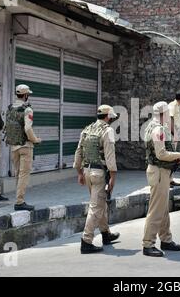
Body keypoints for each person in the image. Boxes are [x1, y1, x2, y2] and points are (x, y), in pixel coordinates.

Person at [74, 105, 120, 254]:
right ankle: (86, 241)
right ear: (108, 116)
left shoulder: (87, 129)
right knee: (95, 207)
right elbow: (110, 155)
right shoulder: (108, 131)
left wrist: (79, 172)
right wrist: (113, 176)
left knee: (100, 204)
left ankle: (106, 234)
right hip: (99, 174)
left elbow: (79, 151)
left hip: (87, 172)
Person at [142, 101, 180, 257]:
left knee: (163, 208)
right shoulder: (158, 129)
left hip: (159, 172)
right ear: (163, 114)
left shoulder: (150, 127)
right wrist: (178, 155)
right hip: (159, 172)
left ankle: (166, 239)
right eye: (168, 113)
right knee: (156, 210)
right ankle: (148, 243)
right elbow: (161, 154)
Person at [5, 84, 41, 211]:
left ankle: (18, 199)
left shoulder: (10, 108)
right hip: (26, 146)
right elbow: (27, 128)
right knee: (24, 174)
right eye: (28, 95)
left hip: (14, 146)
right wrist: (35, 140)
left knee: (18, 174)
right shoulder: (27, 109)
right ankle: (20, 202)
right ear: (25, 95)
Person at [168, 91, 180, 187]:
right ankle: (167, 180)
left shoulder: (178, 106)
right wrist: (174, 133)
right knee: (170, 157)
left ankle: (170, 179)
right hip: (171, 134)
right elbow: (170, 119)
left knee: (173, 157)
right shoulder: (172, 105)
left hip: (174, 134)